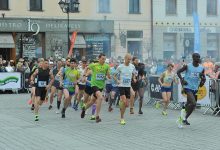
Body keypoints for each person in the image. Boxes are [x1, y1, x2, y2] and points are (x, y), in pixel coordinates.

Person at [176, 52, 206, 127]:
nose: (198, 58)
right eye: (197, 57)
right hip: (187, 87)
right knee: (193, 103)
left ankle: (184, 118)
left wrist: (203, 80)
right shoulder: (188, 66)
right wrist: (182, 80)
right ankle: (182, 118)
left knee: (190, 105)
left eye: (199, 57)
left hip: (195, 88)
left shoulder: (201, 68)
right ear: (193, 58)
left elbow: (203, 79)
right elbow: (178, 72)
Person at [81, 53, 110, 123]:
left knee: (92, 101)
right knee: (100, 97)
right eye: (102, 59)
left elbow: (108, 75)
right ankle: (97, 116)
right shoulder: (94, 65)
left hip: (101, 86)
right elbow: (86, 68)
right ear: (99, 59)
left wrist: (108, 77)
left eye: (105, 59)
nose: (104, 60)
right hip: (94, 85)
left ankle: (84, 109)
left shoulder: (106, 66)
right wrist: (84, 76)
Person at [114, 53, 135, 125]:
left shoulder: (132, 66)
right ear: (125, 59)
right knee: (125, 101)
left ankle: (121, 102)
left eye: (130, 59)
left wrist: (134, 78)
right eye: (128, 59)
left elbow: (134, 73)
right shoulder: (120, 67)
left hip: (128, 86)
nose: (129, 60)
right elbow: (114, 75)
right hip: (121, 86)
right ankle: (122, 118)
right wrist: (117, 80)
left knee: (126, 105)